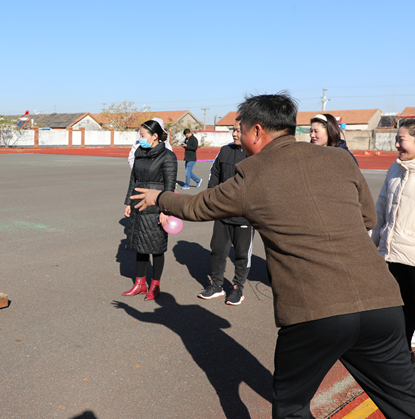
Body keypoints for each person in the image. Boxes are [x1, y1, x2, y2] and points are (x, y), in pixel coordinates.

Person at [131, 93, 415, 418]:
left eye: (241, 130)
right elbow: (367, 218)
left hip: (315, 312)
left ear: (256, 131)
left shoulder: (253, 173)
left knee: (292, 408)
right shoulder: (339, 159)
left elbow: (200, 205)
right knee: (405, 403)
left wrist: (160, 198)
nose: (239, 138)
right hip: (382, 303)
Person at [371, 118, 415, 362]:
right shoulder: (395, 169)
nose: (397, 144)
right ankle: (402, 359)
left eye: (402, 139)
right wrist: (373, 243)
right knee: (398, 314)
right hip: (393, 254)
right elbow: (381, 209)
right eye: (396, 139)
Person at [123, 118, 178, 301]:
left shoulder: (168, 156)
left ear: (155, 136)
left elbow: (169, 186)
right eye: (140, 135)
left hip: (156, 206)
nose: (140, 138)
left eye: (143, 135)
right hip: (139, 204)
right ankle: (139, 283)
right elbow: (133, 179)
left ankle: (155, 285)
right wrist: (128, 203)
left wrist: (165, 210)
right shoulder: (139, 153)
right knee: (140, 245)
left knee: (156, 246)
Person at [199, 117, 253, 305]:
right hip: (222, 213)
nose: (235, 134)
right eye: (233, 130)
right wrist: (211, 199)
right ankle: (216, 285)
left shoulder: (255, 155)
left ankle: (238, 288)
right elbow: (214, 175)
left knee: (242, 254)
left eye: (239, 130)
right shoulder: (225, 151)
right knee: (218, 251)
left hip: (244, 216)